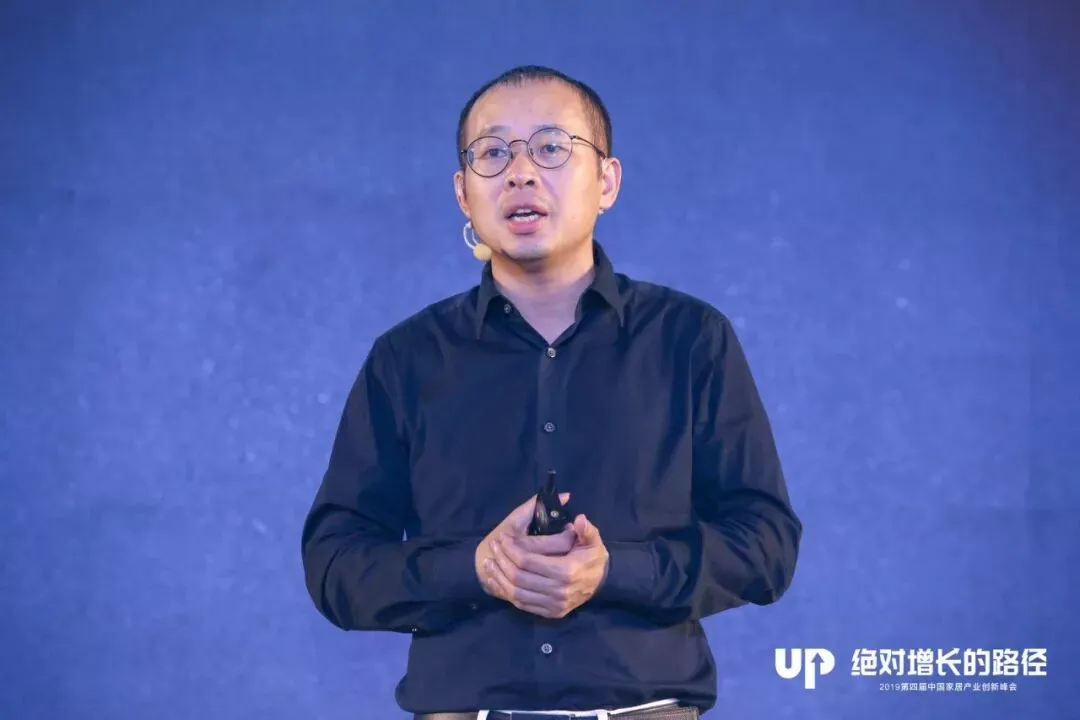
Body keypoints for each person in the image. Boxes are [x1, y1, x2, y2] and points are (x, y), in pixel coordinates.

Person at [300, 65, 802, 720]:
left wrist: (615, 570)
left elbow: (766, 544)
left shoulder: (690, 339)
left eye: (551, 147)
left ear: (607, 182)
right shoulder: (407, 358)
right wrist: (475, 569)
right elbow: (335, 565)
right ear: (463, 193)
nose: (520, 173)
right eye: (492, 153)